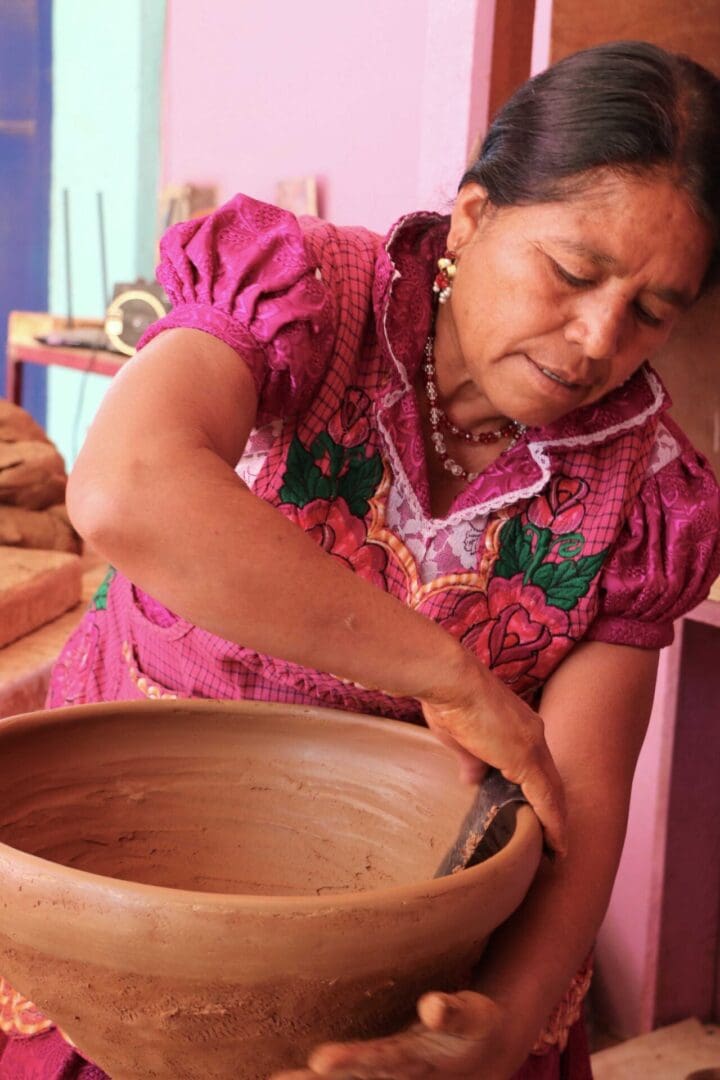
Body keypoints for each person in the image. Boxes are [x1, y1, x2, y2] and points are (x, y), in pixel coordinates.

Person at [2, 38, 719, 1080]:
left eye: (653, 310)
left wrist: (505, 1028)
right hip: (128, 904)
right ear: (472, 218)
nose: (596, 338)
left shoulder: (646, 489)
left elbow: (580, 812)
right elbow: (124, 489)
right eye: (572, 273)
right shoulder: (310, 296)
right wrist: (447, 674)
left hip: (407, 963)